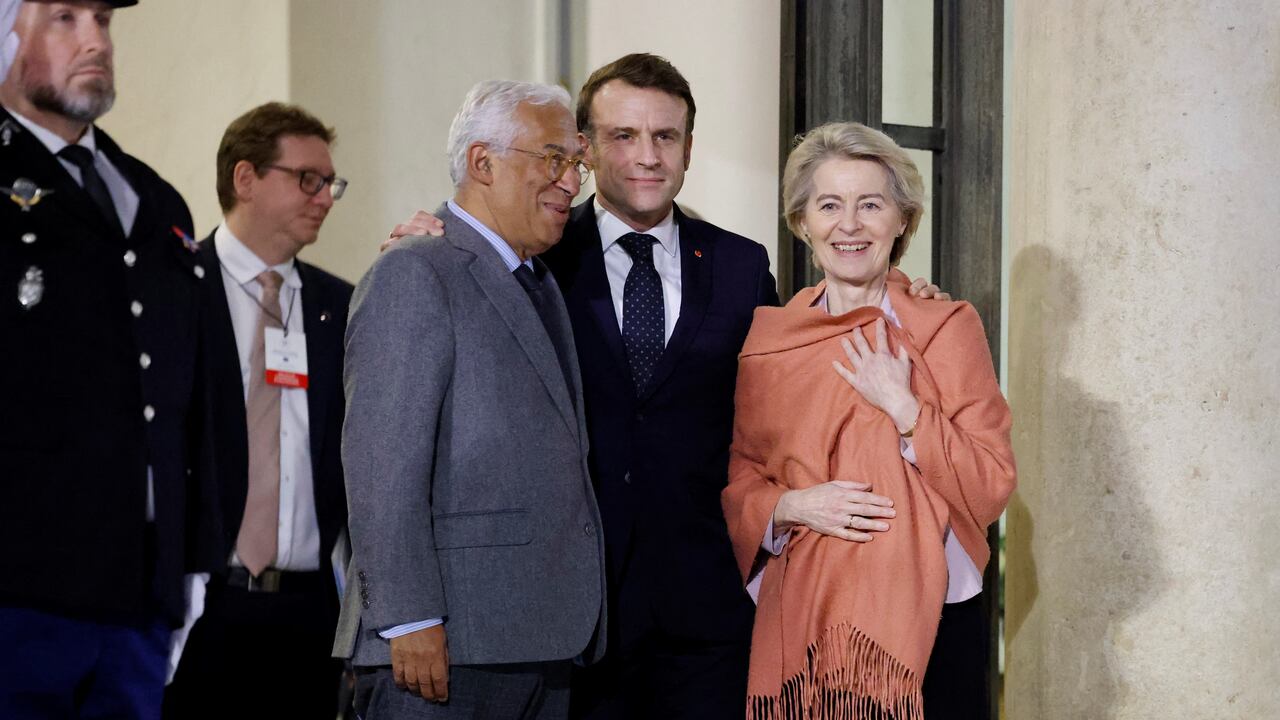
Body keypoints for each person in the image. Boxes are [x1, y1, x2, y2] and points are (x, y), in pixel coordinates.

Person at [388, 54, 950, 719]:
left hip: (708, 610)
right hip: (571, 613)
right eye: (623, 136)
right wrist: (436, 242)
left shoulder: (741, 264)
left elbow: (797, 386)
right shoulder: (537, 254)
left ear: (688, 147)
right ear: (586, 149)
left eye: (666, 136)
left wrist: (903, 299)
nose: (647, 156)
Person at [721, 122, 1017, 719]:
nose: (850, 225)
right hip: (806, 623)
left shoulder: (945, 326)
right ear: (803, 222)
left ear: (902, 220)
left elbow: (991, 483)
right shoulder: (770, 340)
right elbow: (743, 478)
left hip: (931, 627)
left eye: (871, 205)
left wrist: (906, 410)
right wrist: (791, 506)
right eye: (829, 205)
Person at [336, 79, 607, 720]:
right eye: (554, 159)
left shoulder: (539, 283)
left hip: (536, 642)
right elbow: (380, 464)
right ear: (483, 162)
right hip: (442, 648)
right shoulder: (415, 270)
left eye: (577, 164)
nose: (572, 182)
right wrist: (409, 618)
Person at [0, 1, 220, 717]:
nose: (95, 40)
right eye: (64, 17)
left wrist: (192, 560)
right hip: (20, 587)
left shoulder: (153, 197)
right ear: (7, 32)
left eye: (102, 19)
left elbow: (188, 392)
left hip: (138, 590)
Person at [163, 102, 353, 719]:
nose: (324, 198)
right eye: (308, 179)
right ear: (245, 178)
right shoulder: (176, 289)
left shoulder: (340, 306)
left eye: (331, 184)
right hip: (202, 605)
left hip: (308, 613)